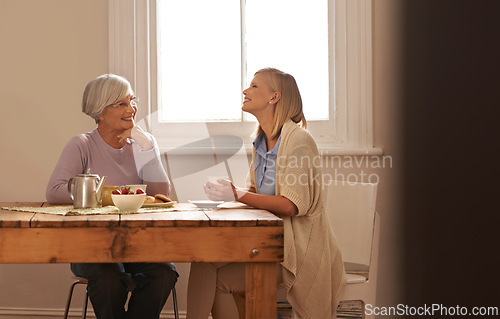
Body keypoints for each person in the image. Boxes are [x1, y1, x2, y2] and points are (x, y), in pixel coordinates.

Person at [186, 68, 346, 319]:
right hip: (269, 241)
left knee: (217, 277)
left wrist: (237, 194)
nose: (245, 91)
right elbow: (255, 193)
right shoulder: (262, 141)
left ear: (274, 97)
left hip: (297, 252)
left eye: (254, 86)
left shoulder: (298, 141)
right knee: (203, 260)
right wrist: (228, 194)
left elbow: (292, 205)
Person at [46, 74, 178, 319]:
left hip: (139, 245)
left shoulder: (143, 143)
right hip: (91, 247)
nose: (132, 109)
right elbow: (54, 191)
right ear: (100, 112)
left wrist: (147, 147)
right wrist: (107, 196)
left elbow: (161, 194)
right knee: (109, 277)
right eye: (121, 104)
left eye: (132, 101)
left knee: (164, 273)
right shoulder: (81, 145)